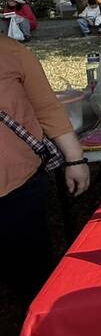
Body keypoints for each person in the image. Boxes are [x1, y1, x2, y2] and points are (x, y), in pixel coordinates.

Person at [1, 33, 90, 302]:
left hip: (18, 186)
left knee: (31, 274)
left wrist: (75, 160)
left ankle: (39, 328)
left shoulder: (9, 50)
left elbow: (47, 107)